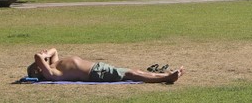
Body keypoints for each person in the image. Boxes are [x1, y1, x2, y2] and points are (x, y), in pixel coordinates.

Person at [26, 47, 183, 83]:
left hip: (98, 68)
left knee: (133, 71)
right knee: (131, 74)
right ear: (38, 71)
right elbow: (38, 56)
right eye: (36, 67)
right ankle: (166, 78)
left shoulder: (54, 64)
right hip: (96, 73)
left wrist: (47, 55)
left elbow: (54, 50)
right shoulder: (50, 74)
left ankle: (165, 76)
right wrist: (42, 56)